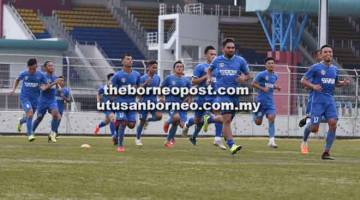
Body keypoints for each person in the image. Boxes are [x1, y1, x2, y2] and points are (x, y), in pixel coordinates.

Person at [301, 45, 350, 160]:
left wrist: (342, 83)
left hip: (329, 100)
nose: (328, 53)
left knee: (333, 123)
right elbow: (303, 80)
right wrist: (313, 86)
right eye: (326, 52)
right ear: (321, 55)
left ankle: (326, 152)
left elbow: (335, 83)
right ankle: (306, 131)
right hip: (317, 101)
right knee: (314, 128)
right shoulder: (315, 67)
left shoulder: (334, 69)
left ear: (332, 54)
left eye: (330, 52)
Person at [206, 38, 250, 154]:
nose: (231, 49)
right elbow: (209, 70)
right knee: (227, 119)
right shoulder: (217, 60)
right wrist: (209, 78)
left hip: (234, 94)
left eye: (233, 48)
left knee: (227, 120)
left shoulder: (240, 61)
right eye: (229, 48)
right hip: (222, 93)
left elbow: (248, 75)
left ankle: (210, 119)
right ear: (223, 49)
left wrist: (243, 78)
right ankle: (231, 145)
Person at [182, 45, 226, 150]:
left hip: (214, 96)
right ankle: (188, 124)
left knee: (219, 114)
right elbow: (193, 81)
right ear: (206, 55)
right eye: (211, 54)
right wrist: (206, 76)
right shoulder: (200, 67)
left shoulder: (219, 68)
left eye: (215, 54)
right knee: (198, 121)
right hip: (202, 97)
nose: (214, 56)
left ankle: (217, 139)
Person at [12, 58, 47, 141]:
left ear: (36, 66)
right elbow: (17, 80)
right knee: (30, 113)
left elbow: (45, 84)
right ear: (28, 67)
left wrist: (43, 87)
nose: (32, 70)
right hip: (25, 98)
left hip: (35, 100)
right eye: (30, 69)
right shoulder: (24, 74)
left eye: (34, 68)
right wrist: (13, 89)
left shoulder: (41, 75)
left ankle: (21, 121)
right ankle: (30, 134)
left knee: (29, 116)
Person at [111, 54, 141, 152]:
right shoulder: (117, 75)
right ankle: (120, 145)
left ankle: (116, 130)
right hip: (121, 103)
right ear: (122, 62)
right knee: (123, 122)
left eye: (131, 59)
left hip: (132, 103)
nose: (130, 61)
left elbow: (139, 88)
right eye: (127, 59)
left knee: (132, 124)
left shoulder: (136, 74)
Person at [161, 61, 191, 148]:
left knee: (181, 125)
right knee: (176, 118)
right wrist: (161, 98)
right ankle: (167, 123)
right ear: (174, 69)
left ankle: (168, 139)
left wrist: (189, 101)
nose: (179, 68)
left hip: (182, 105)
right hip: (171, 103)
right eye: (177, 66)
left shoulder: (186, 80)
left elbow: (190, 93)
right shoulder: (169, 78)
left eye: (181, 67)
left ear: (183, 69)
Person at [252, 57, 281, 148]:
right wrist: (262, 89)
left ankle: (271, 141)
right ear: (266, 65)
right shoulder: (261, 74)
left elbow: (270, 85)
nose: (271, 65)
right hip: (260, 101)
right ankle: (254, 113)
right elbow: (253, 83)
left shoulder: (275, 75)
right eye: (269, 63)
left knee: (272, 118)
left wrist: (276, 87)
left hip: (270, 102)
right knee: (258, 122)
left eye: (272, 63)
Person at [32, 61, 63, 143]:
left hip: (52, 100)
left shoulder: (54, 77)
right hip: (42, 101)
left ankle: (52, 134)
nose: (52, 67)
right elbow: (43, 88)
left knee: (56, 115)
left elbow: (58, 88)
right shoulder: (42, 77)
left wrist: (59, 86)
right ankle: (31, 132)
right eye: (49, 66)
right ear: (45, 68)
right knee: (39, 117)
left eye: (52, 65)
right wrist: (55, 82)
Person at [135, 61, 162, 146]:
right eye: (153, 67)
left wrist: (161, 97)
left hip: (154, 101)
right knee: (142, 122)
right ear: (148, 68)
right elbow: (138, 91)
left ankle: (148, 120)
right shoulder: (142, 78)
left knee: (159, 116)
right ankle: (138, 138)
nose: (155, 69)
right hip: (144, 101)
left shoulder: (157, 78)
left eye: (156, 67)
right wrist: (145, 83)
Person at [94, 73, 116, 143]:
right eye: (111, 79)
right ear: (108, 80)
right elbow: (98, 93)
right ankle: (113, 136)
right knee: (112, 118)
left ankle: (98, 126)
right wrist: (98, 102)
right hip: (106, 106)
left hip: (115, 106)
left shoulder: (117, 87)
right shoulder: (104, 88)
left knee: (106, 121)